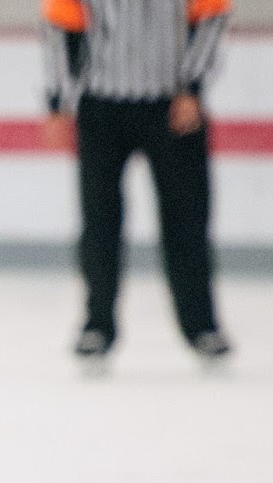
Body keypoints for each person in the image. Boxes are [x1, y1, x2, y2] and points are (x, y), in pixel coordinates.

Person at [41, 0, 234, 367]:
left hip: (172, 105)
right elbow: (60, 28)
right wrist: (58, 100)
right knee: (99, 222)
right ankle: (97, 324)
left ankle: (202, 326)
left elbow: (211, 19)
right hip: (102, 103)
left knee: (187, 221)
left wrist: (192, 88)